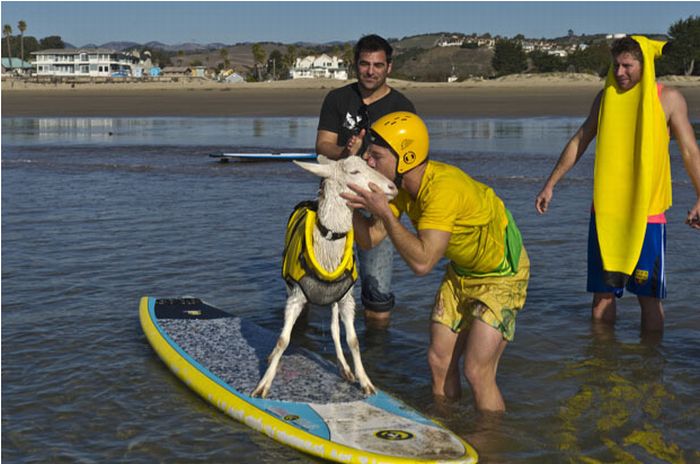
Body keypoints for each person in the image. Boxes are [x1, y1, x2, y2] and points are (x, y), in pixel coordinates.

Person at [342, 111, 530, 412]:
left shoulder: (442, 190)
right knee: (438, 360)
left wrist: (386, 214)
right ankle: (447, 425)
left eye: (376, 156)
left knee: (476, 370)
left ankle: (492, 446)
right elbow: (370, 239)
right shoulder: (403, 188)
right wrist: (347, 203)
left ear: (407, 158)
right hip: (462, 273)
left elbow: (423, 264)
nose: (368, 161)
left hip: (502, 274)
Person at [535, 36, 700, 332]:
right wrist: (551, 184)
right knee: (602, 299)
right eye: (616, 65)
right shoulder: (605, 97)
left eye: (627, 66)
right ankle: (601, 369)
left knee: (648, 298)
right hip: (606, 216)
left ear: (644, 64)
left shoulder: (668, 99)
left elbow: (689, 151)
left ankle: (648, 371)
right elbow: (580, 140)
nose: (620, 72)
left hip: (648, 216)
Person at [315, 34, 416, 328]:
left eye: (378, 65)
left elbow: (407, 162)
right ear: (355, 65)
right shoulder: (337, 99)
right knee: (315, 284)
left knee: (377, 295)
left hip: (378, 202)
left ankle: (376, 359)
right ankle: (303, 344)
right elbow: (323, 145)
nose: (371, 71)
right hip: (337, 200)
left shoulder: (402, 106)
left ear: (389, 67)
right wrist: (346, 152)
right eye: (364, 64)